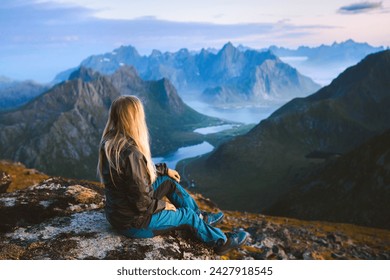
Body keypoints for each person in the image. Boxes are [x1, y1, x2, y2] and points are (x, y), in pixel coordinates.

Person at [98, 95, 248, 255]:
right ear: (134, 119)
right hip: (135, 224)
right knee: (187, 215)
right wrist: (162, 206)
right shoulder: (131, 152)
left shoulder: (111, 142)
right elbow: (142, 204)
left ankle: (201, 219)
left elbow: (135, 175)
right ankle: (221, 242)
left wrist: (164, 170)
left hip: (120, 215)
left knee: (167, 182)